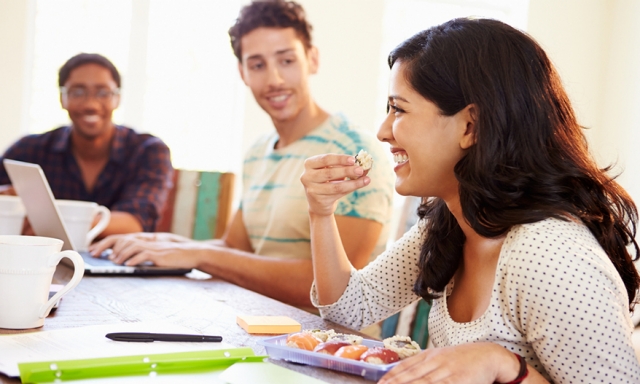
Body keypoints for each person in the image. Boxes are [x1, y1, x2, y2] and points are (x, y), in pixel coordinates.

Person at [300, 18, 640, 383]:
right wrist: (321, 213)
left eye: (399, 109)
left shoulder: (549, 255)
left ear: (470, 126)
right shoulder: (451, 222)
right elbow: (351, 307)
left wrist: (504, 365)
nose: (383, 132)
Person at [91, 0, 394, 309]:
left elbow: (334, 291)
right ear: (243, 72)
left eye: (287, 60)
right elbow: (234, 248)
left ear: (312, 59)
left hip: (329, 346)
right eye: (258, 65)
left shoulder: (354, 152)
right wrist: (161, 243)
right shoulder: (257, 153)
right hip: (256, 327)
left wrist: (198, 254)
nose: (274, 79)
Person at [0, 53, 173, 235]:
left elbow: (135, 222)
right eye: (78, 92)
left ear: (117, 98)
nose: (91, 104)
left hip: (116, 260)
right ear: (62, 98)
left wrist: (45, 221)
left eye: (103, 92)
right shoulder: (29, 150)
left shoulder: (148, 151)